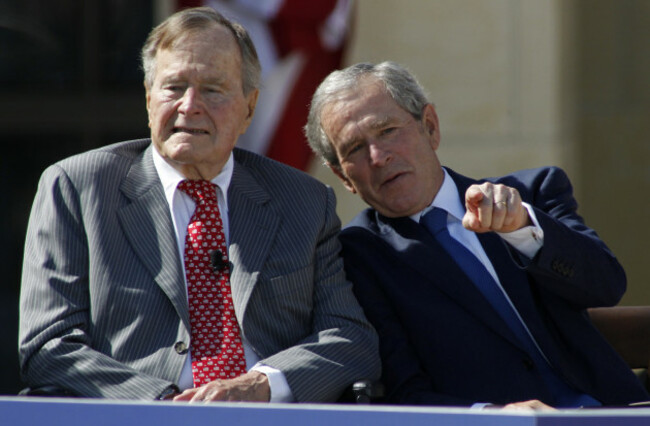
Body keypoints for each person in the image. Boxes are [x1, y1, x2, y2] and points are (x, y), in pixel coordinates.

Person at [18, 7, 379, 403]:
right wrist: (167, 403)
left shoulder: (303, 201)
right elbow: (48, 346)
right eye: (173, 87)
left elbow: (349, 339)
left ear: (249, 107)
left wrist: (261, 385)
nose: (190, 105)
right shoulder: (77, 188)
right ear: (148, 97)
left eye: (212, 89)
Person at [304, 61, 650, 409]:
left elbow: (607, 286)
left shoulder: (533, 192)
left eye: (387, 130)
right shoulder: (357, 257)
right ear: (343, 178)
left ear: (430, 127)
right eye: (354, 149)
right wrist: (492, 416)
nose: (378, 157)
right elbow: (403, 391)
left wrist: (523, 229)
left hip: (611, 410)